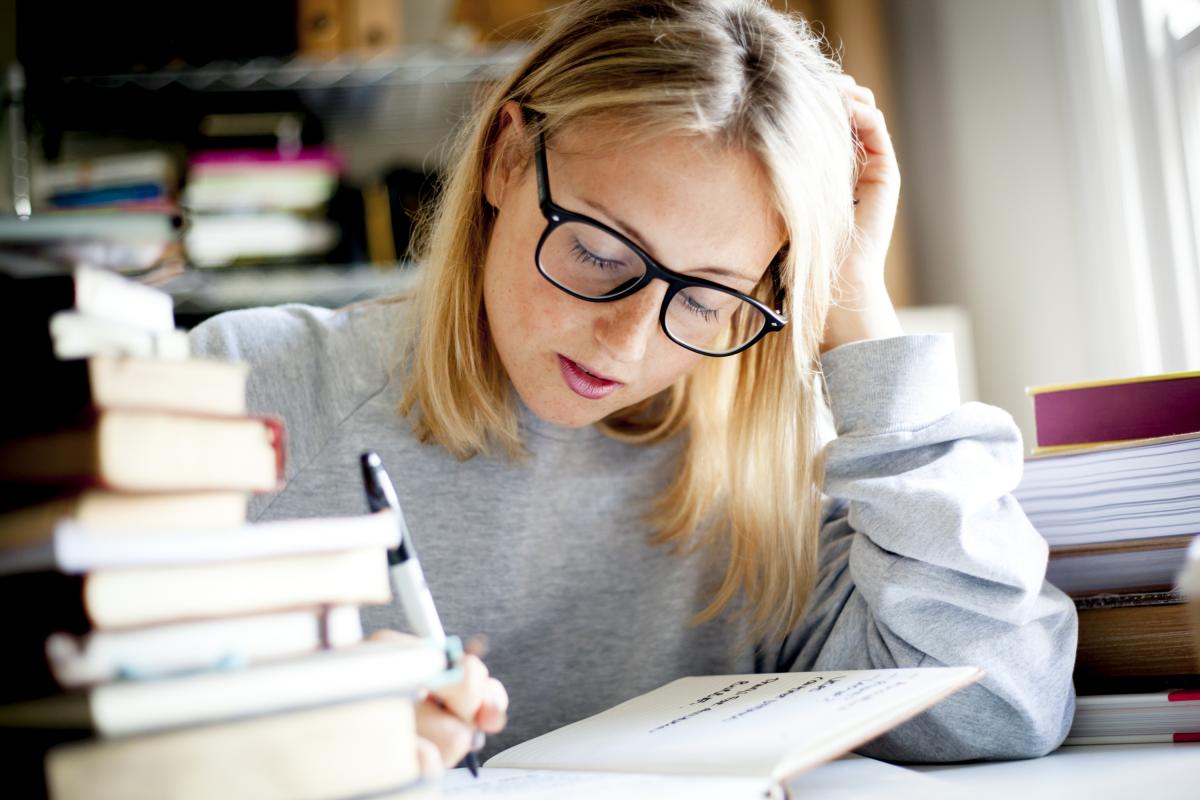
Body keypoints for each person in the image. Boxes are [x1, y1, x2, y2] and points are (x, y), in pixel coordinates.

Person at [190, 0, 1077, 774]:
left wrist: (855, 306)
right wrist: (279, 745)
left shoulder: (770, 481)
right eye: (599, 253)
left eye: (707, 297)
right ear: (506, 156)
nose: (629, 339)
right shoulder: (243, 392)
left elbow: (999, 705)